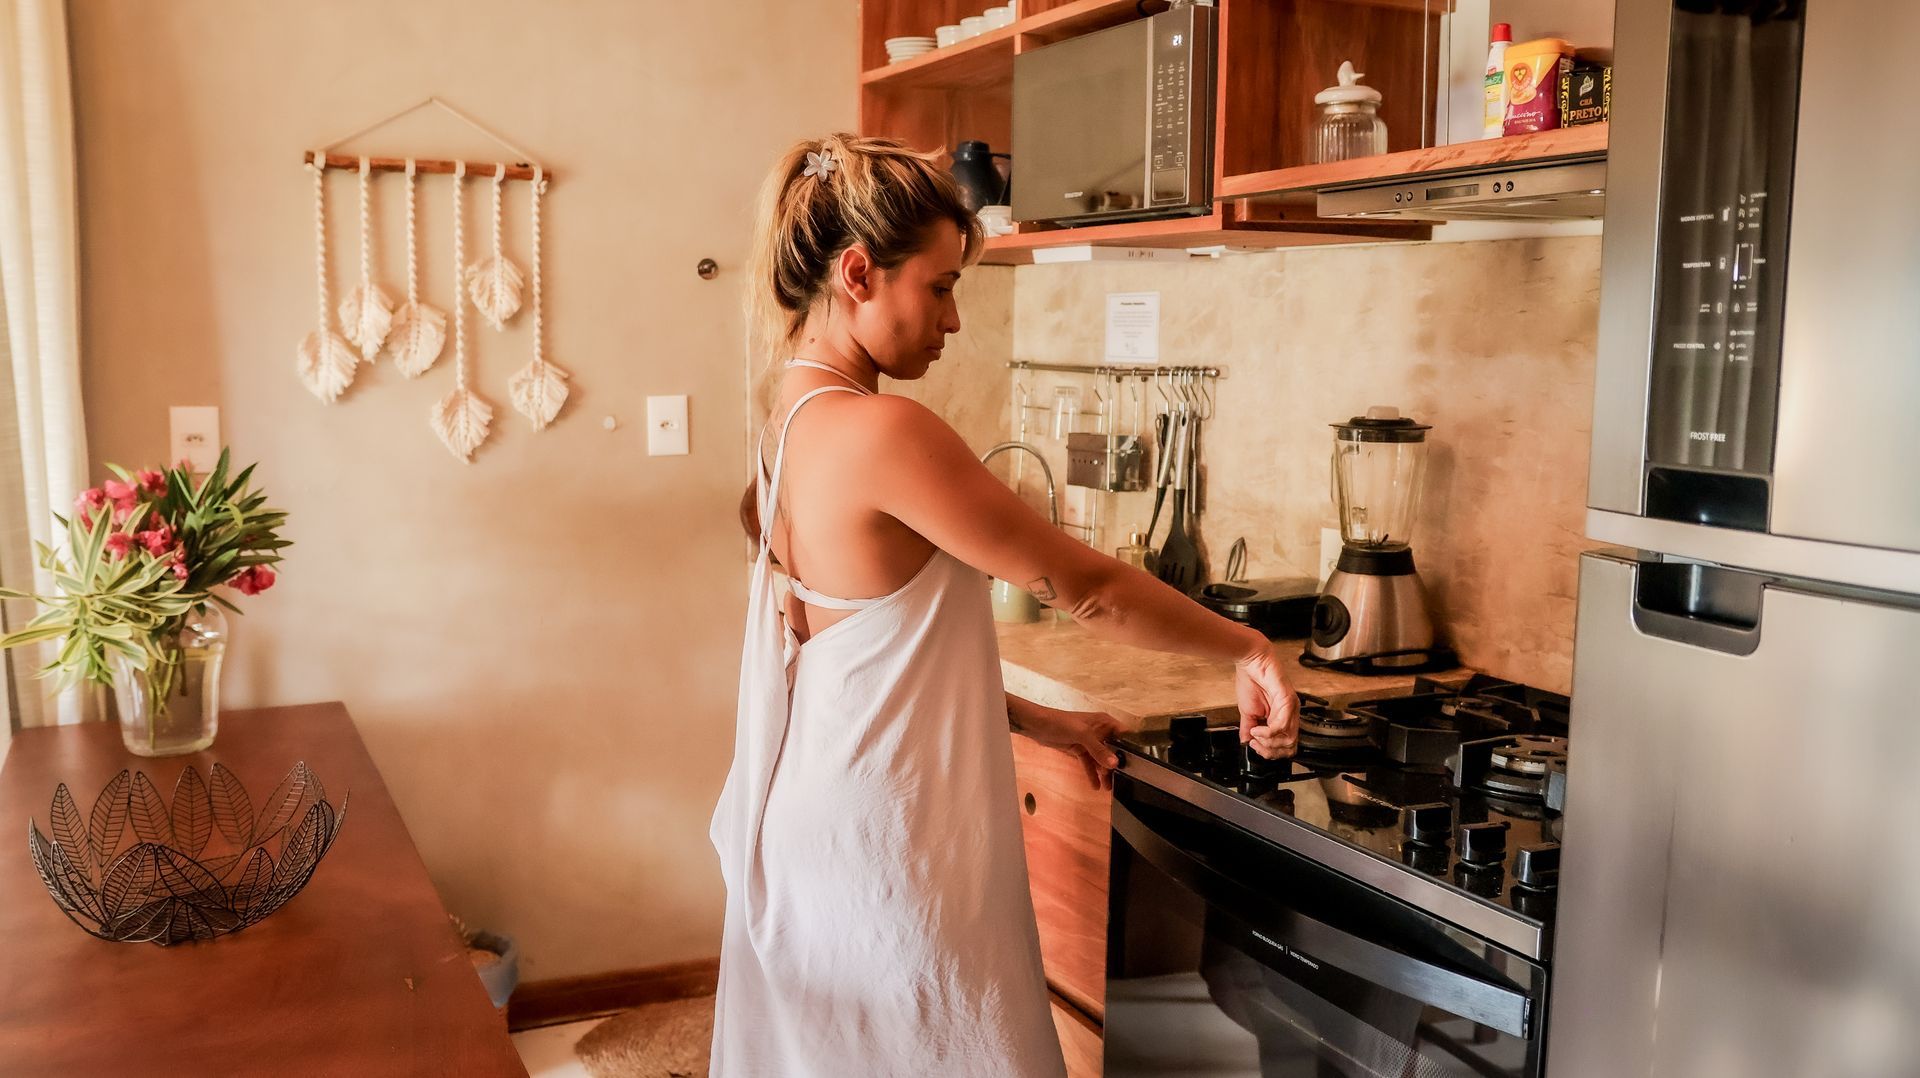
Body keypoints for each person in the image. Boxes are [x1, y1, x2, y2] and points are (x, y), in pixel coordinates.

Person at [710, 132, 1301, 1077]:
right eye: (939, 288)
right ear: (859, 273)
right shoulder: (882, 430)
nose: (953, 323)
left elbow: (859, 653)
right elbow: (1091, 591)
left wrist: (1035, 717)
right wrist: (1246, 647)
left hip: (822, 829)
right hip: (890, 850)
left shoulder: (785, 416)